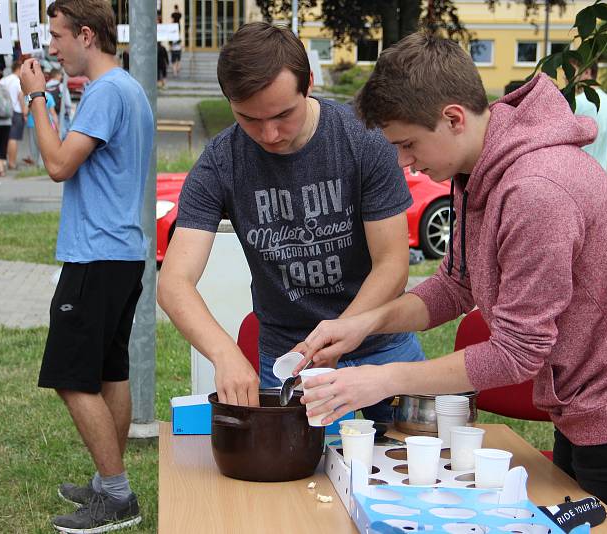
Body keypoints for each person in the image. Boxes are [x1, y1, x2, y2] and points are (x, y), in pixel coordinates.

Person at [297, 33, 607, 534]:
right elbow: (454, 286)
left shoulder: (536, 192)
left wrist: (383, 378)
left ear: (453, 118)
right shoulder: (477, 167)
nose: (404, 163)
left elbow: (516, 352)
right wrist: (365, 323)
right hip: (586, 401)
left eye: (407, 145)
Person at [157, 22, 425, 421]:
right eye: (248, 119)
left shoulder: (363, 140)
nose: (269, 133)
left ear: (309, 83)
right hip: (285, 364)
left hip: (381, 353)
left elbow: (392, 266)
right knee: (291, 481)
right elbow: (174, 282)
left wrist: (336, 336)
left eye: (283, 114)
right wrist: (225, 354)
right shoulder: (220, 162)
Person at [19, 0, 152, 531]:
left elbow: (56, 165)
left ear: (88, 36)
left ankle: (117, 497)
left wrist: (35, 98)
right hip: (120, 253)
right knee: (108, 371)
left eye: (57, 36)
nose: (51, 47)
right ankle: (106, 483)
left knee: (72, 378)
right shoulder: (129, 88)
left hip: (96, 253)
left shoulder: (105, 93)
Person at [570, 60, 607, 171]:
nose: (566, 76)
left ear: (586, 73)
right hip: (602, 174)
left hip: (580, 174)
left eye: (571, 71)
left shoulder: (578, 102)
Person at [0, 60, 26, 170]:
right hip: (16, 111)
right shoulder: (17, 81)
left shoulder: (3, 80)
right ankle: (12, 162)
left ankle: (2, 161)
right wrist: (25, 111)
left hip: (2, 111)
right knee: (13, 138)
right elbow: (21, 97)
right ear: (19, 69)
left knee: (4, 137)